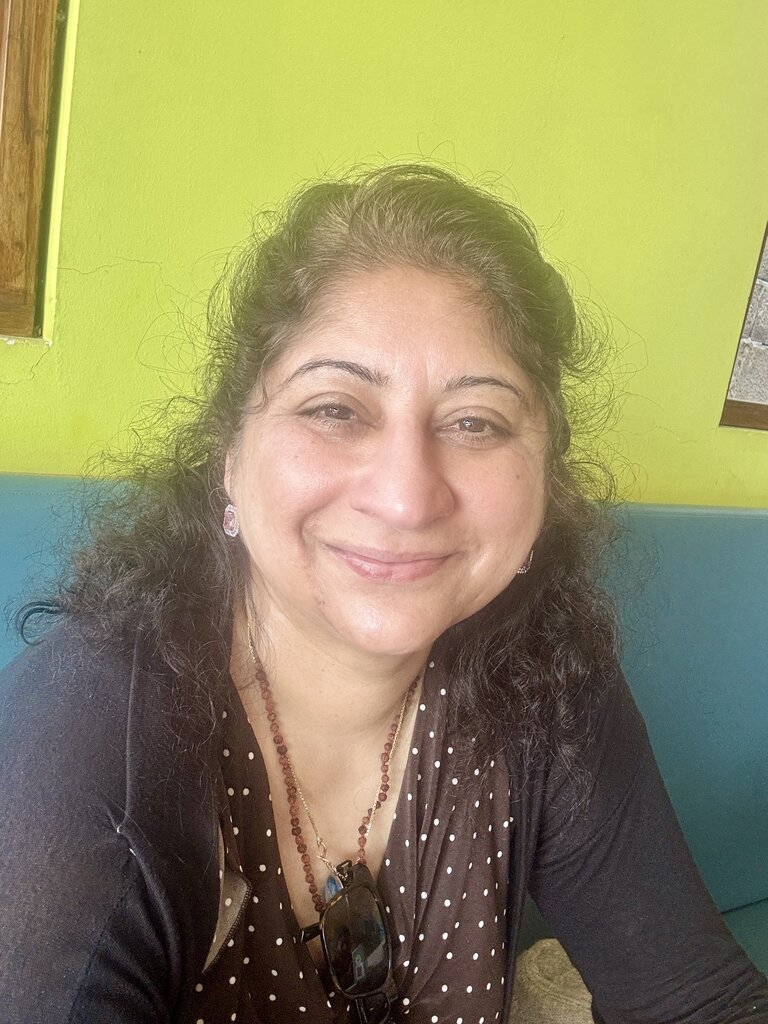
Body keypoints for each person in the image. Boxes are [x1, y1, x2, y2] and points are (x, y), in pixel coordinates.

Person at [0, 164, 766, 1024]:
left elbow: (699, 1001)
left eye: (475, 422)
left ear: (546, 479)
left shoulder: (544, 679)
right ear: (229, 456)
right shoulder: (86, 735)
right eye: (335, 409)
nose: (406, 498)